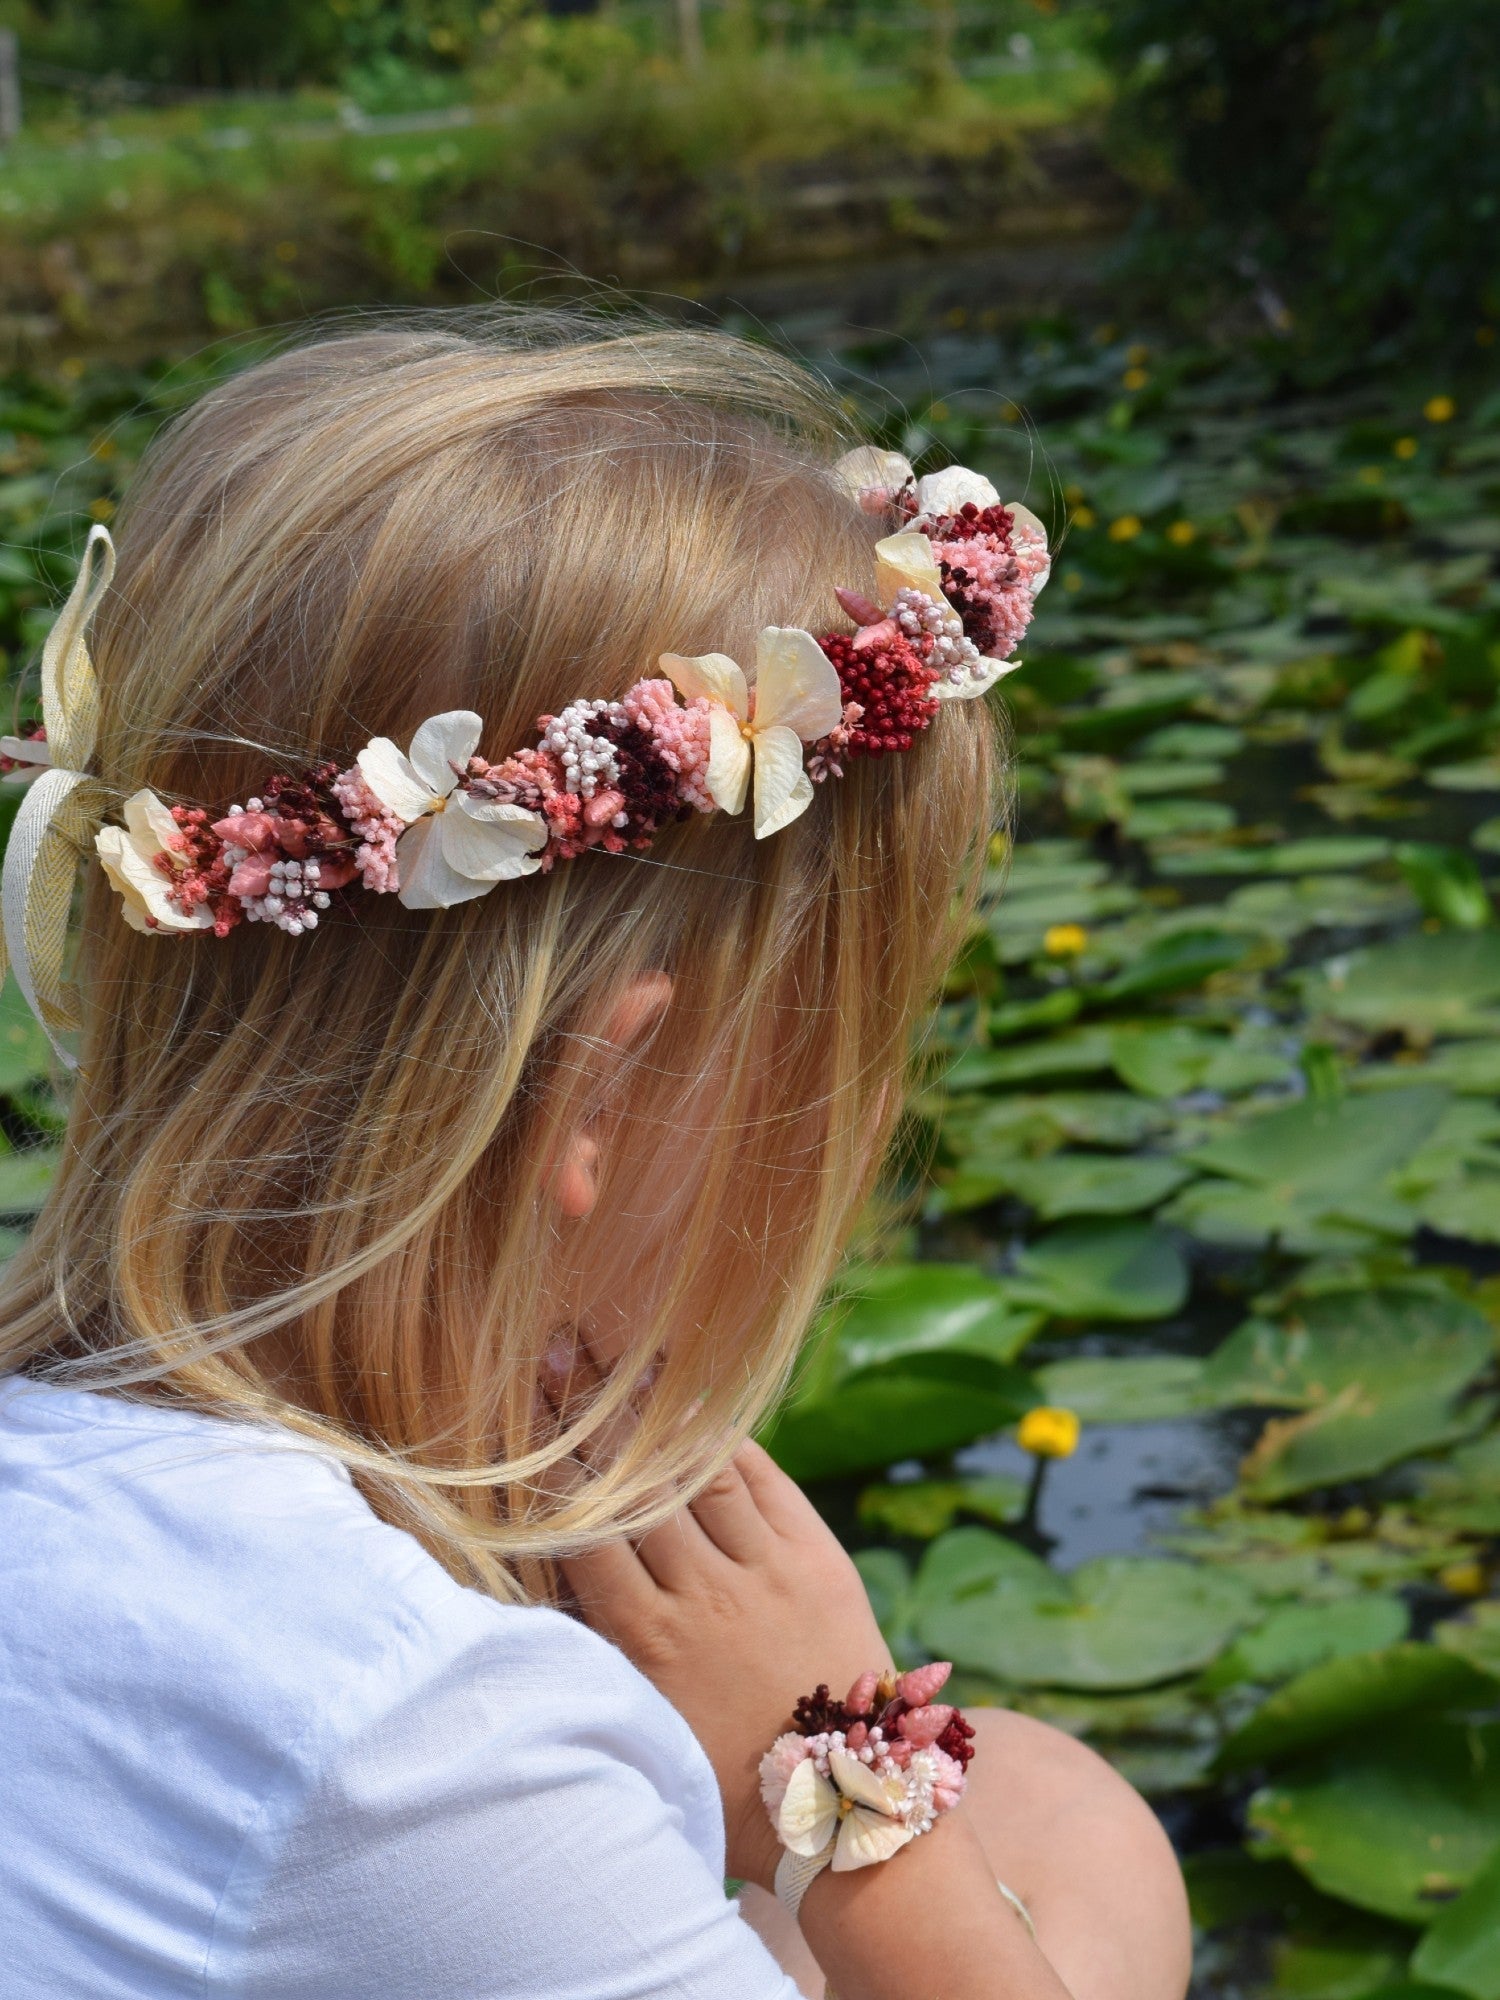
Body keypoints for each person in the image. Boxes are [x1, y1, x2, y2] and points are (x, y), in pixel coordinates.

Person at [0, 312, 1191, 2000]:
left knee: (1059, 1807)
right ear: (603, 1099)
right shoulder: (415, 1746)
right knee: (1077, 1865)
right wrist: (855, 1787)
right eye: (867, 1047)